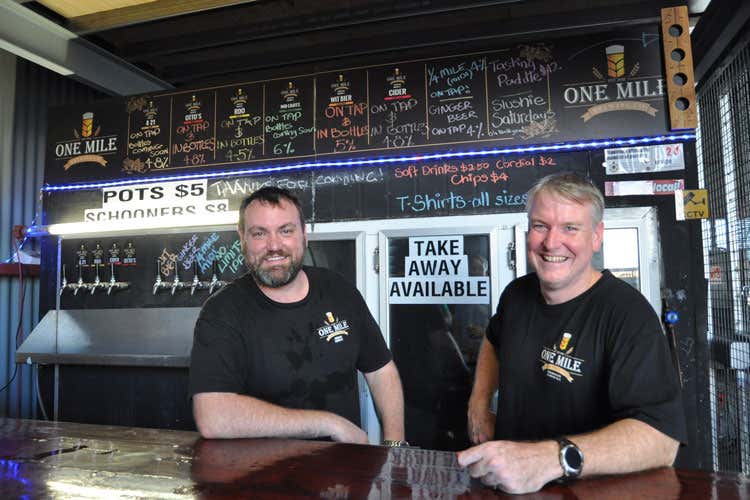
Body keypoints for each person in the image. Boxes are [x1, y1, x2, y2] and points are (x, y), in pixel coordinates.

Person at [457, 173, 686, 493]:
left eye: (570, 228)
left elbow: (661, 440)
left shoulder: (628, 314)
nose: (551, 242)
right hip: (508, 486)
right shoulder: (516, 295)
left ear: (596, 236)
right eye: (540, 226)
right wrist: (479, 402)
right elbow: (493, 340)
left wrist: (550, 459)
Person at [189, 186, 405, 444]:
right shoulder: (221, 312)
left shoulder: (338, 289)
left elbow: (380, 370)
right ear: (242, 239)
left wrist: (395, 444)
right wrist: (328, 423)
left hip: (345, 467)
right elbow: (213, 416)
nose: (274, 246)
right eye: (259, 233)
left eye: (286, 231)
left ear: (304, 234)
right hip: (258, 468)